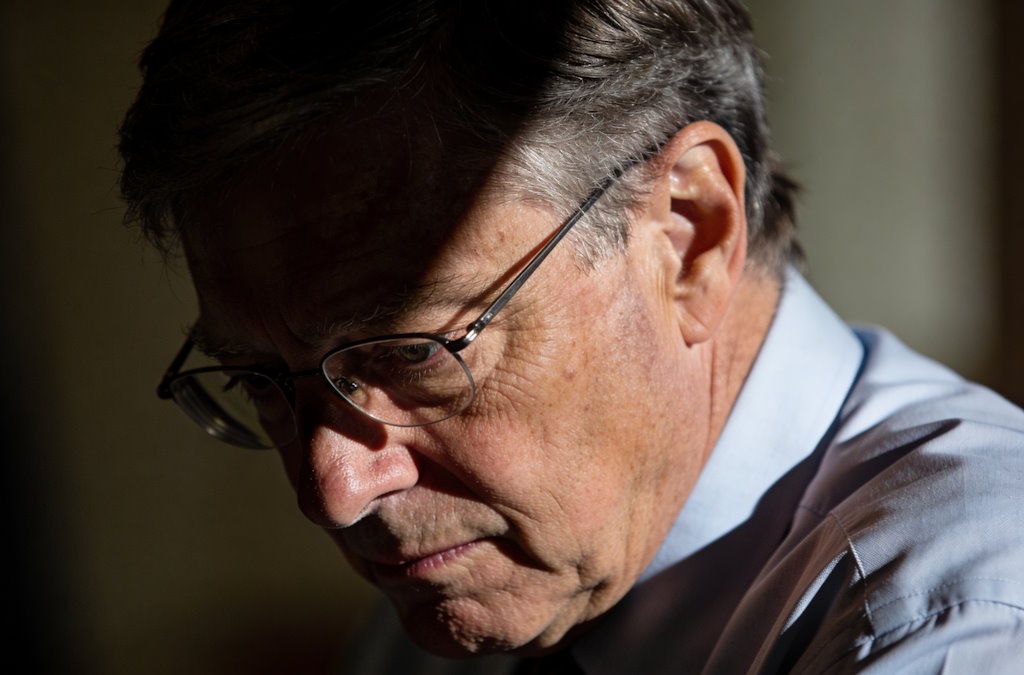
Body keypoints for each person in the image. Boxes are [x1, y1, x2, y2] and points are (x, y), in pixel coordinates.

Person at [118, 1, 1024, 672]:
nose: (333, 491)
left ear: (689, 236)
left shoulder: (956, 619)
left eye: (409, 352)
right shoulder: (466, 600)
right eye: (260, 382)